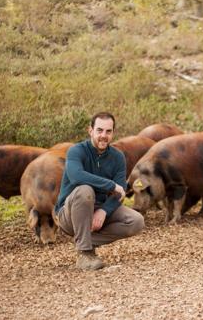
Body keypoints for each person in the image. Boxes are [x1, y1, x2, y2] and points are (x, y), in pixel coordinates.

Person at [55, 112, 144, 270]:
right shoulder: (76, 151)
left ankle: (85, 240)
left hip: (97, 209)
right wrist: (110, 185)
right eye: (99, 130)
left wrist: (104, 210)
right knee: (85, 190)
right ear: (91, 131)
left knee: (136, 221)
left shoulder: (117, 157)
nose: (104, 135)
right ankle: (85, 253)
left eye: (108, 131)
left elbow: (120, 192)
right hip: (69, 213)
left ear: (113, 133)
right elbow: (77, 177)